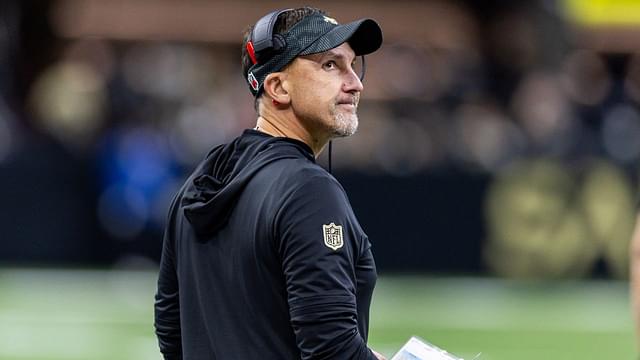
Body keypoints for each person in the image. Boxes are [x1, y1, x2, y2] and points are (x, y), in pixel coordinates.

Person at [154, 6, 385, 360]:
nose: (355, 83)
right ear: (278, 87)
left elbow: (173, 334)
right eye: (330, 65)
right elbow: (332, 352)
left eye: (354, 65)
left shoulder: (198, 183)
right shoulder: (308, 191)